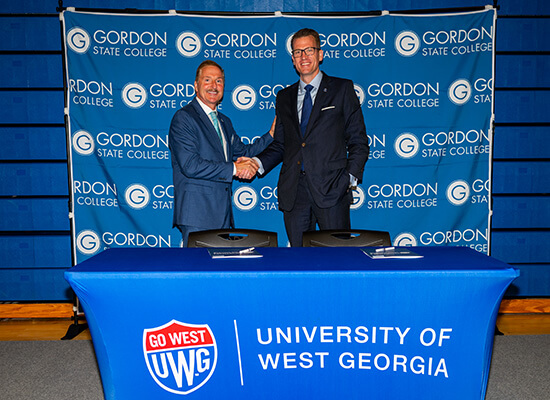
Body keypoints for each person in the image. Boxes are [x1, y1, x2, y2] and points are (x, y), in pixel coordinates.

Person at [253, 28, 369, 246]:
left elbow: (358, 141)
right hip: (294, 193)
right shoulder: (284, 97)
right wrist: (257, 163)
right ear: (293, 60)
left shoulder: (342, 89)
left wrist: (348, 179)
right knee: (299, 263)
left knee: (338, 260)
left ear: (320, 54)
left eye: (309, 50)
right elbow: (281, 145)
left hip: (333, 190)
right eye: (297, 52)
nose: (303, 56)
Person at [169, 60, 274, 246]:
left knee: (218, 274)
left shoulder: (224, 121)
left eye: (219, 81)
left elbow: (244, 152)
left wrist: (271, 135)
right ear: (196, 85)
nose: (213, 86)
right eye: (207, 80)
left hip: (223, 214)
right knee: (197, 271)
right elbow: (190, 165)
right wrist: (234, 169)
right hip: (197, 215)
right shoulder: (184, 118)